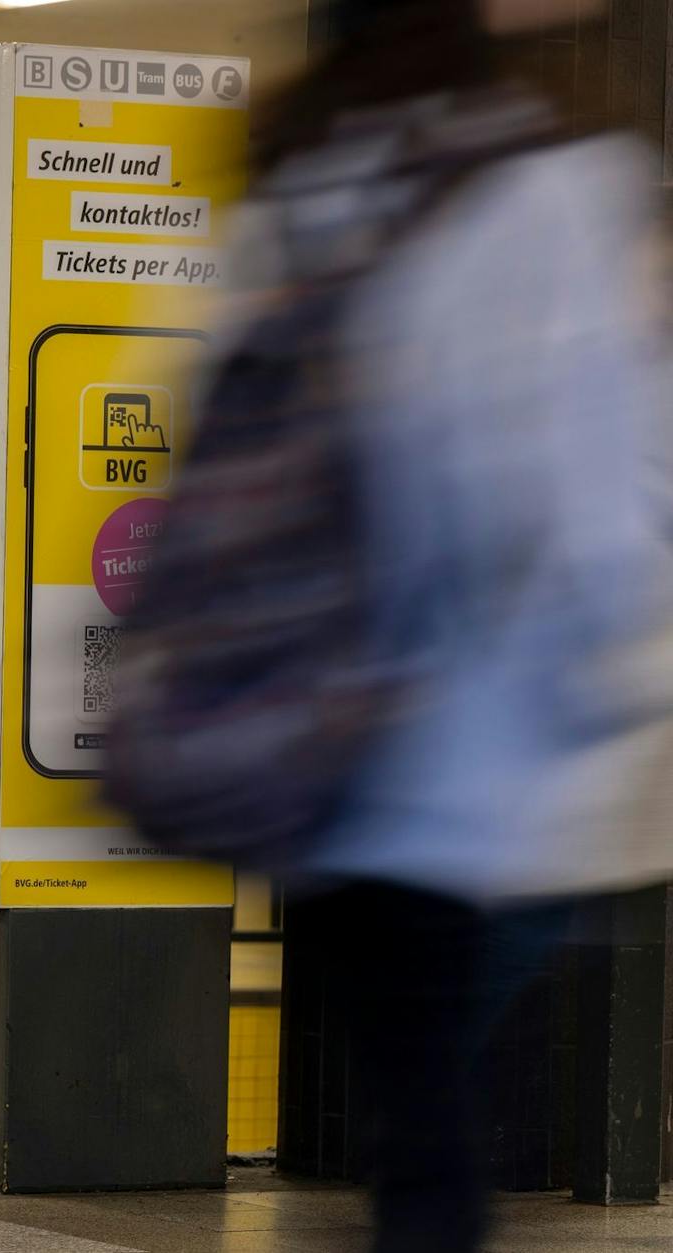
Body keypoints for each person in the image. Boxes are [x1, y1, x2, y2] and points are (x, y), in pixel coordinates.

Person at [235, 0, 661, 1248]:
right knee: (443, 1139)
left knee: (413, 1122)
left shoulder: (303, 170)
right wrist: (633, 667)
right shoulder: (551, 192)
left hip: (312, 739)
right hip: (478, 763)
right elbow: (566, 493)